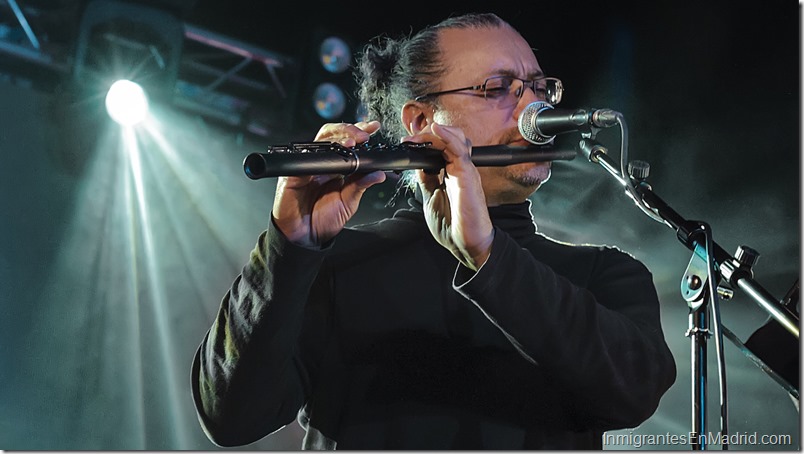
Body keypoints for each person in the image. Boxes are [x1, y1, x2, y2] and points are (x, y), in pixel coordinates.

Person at [191, 12, 677, 449]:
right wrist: (288, 249)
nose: (533, 108)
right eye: (498, 87)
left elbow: (634, 390)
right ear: (421, 121)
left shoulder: (602, 273)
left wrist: (488, 255)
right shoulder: (342, 266)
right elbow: (231, 417)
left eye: (537, 87)